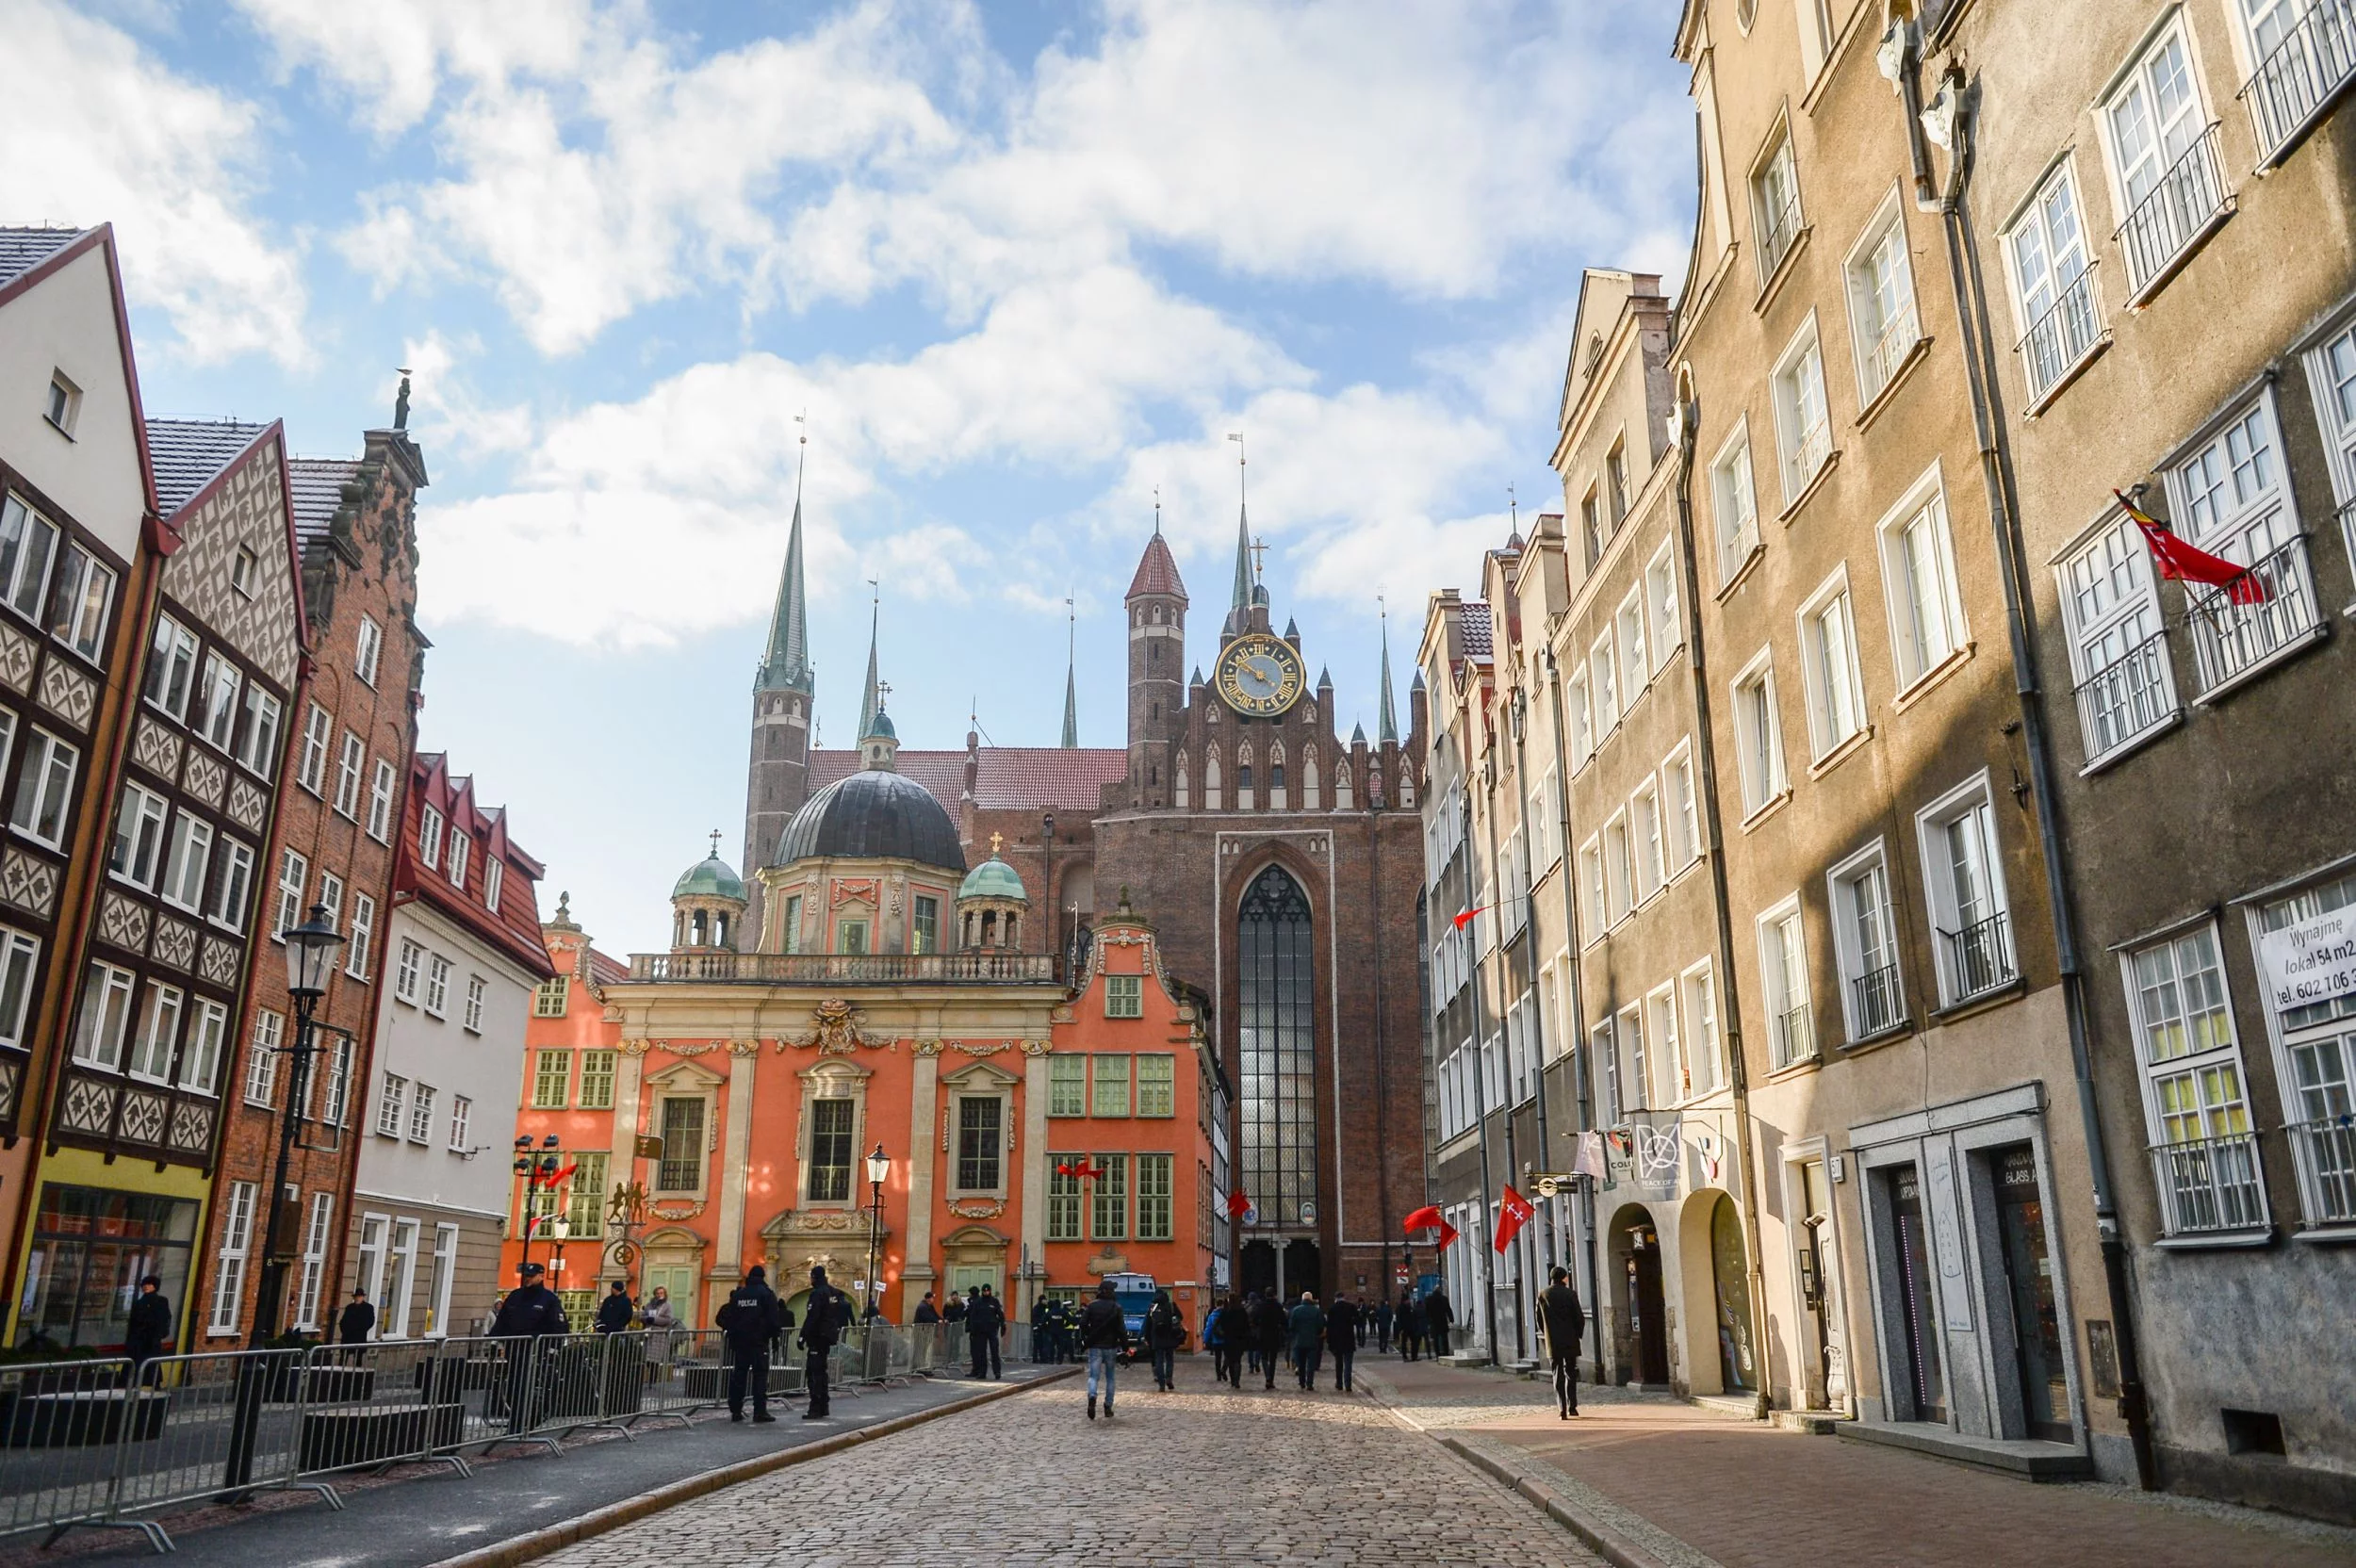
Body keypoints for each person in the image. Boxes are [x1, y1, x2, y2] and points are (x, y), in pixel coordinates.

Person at [716, 1265, 782, 1424]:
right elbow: (773, 1319)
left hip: (740, 1341)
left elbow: (729, 1317)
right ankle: (759, 1411)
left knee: (739, 1375)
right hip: (759, 1341)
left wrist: (733, 1333)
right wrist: (774, 1338)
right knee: (760, 1376)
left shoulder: (739, 1295)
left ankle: (736, 1410)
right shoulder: (766, 1294)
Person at [796, 1265, 845, 1420]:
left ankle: (815, 1407)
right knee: (822, 1372)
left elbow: (813, 1316)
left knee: (814, 1373)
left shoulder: (818, 1293)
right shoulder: (834, 1292)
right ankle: (824, 1406)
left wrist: (802, 1335)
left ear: (814, 1277)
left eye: (811, 1277)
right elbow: (840, 1311)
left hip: (817, 1336)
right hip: (828, 1336)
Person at [1541, 1266, 1587, 1419]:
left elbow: (1539, 1319)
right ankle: (1572, 1406)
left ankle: (1561, 1409)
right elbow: (1579, 1317)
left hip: (1553, 1341)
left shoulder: (1543, 1294)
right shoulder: (1570, 1294)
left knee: (1557, 1374)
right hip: (1570, 1339)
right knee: (1570, 1372)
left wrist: (1546, 1334)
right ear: (1563, 1278)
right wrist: (1578, 1334)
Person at [1078, 1280, 1128, 1420]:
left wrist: (1091, 1333)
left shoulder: (1092, 1306)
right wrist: (1125, 1348)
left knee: (1093, 1376)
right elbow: (1122, 1330)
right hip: (1111, 1347)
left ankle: (1092, 1395)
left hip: (1095, 1346)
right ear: (1111, 1292)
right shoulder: (1117, 1307)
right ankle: (1108, 1406)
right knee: (1110, 1378)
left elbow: (1082, 1323)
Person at [124, 1276, 172, 1377]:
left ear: (155, 1286)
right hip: (138, 1339)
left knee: (151, 1363)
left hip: (152, 1339)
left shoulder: (161, 1301)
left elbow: (165, 1318)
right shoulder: (139, 1303)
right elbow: (133, 1322)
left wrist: (160, 1333)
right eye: (144, 1285)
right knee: (137, 1363)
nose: (146, 1287)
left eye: (149, 1284)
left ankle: (153, 1382)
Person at [1144, 1289, 1185, 1392]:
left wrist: (1146, 1337)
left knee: (1159, 1361)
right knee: (1170, 1359)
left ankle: (1161, 1384)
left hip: (1157, 1338)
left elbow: (1147, 1324)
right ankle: (1169, 1378)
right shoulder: (1171, 1305)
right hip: (1170, 1337)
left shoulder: (1152, 1307)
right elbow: (1181, 1317)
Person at [1286, 1292, 1326, 1391]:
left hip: (1299, 1341)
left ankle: (1302, 1382)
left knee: (1301, 1363)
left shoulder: (1296, 1311)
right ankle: (1310, 1383)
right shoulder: (1317, 1311)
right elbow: (1321, 1326)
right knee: (1311, 1364)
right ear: (1311, 1299)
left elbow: (1291, 1326)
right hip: (1312, 1340)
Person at [1250, 1291, 1287, 1389]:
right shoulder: (1278, 1306)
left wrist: (1258, 1326)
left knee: (1264, 1357)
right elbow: (1284, 1321)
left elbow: (1254, 1320)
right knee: (1273, 1359)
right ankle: (1271, 1379)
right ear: (1274, 1295)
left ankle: (1267, 1377)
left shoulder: (1261, 1306)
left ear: (1265, 1295)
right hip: (1274, 1334)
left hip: (1263, 1334)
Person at [967, 1283, 1005, 1379]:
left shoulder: (994, 1301)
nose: (986, 1292)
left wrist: (1003, 1325)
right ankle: (982, 1373)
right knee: (981, 1353)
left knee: (994, 1351)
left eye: (988, 1291)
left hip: (992, 1330)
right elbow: (973, 1316)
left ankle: (997, 1372)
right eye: (984, 1291)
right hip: (980, 1331)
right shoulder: (978, 1302)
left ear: (990, 1291)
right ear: (982, 1291)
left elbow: (1000, 1314)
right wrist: (972, 1329)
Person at [1209, 1295, 1248, 1387]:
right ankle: (1237, 1380)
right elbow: (1247, 1326)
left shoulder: (1225, 1311)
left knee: (1230, 1360)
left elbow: (1215, 1325)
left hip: (1228, 1339)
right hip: (1239, 1339)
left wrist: (1221, 1333)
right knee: (1237, 1361)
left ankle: (1233, 1381)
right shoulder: (1242, 1311)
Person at [1326, 1291, 1360, 1393]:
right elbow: (1358, 1320)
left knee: (1339, 1363)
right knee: (1348, 1364)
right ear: (1344, 1297)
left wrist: (1329, 1341)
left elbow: (1329, 1327)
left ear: (1335, 1298)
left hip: (1337, 1340)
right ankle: (1348, 1385)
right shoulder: (1351, 1307)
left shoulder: (1332, 1309)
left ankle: (1339, 1383)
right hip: (1348, 1339)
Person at [1424, 1284, 1456, 1359]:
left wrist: (1428, 1321)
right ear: (1440, 1290)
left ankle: (1437, 1354)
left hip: (1433, 1322)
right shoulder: (1444, 1299)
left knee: (1435, 1339)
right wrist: (1451, 1319)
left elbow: (1426, 1311)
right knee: (1444, 1338)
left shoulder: (1429, 1299)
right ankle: (1446, 1352)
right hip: (1442, 1321)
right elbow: (1448, 1309)